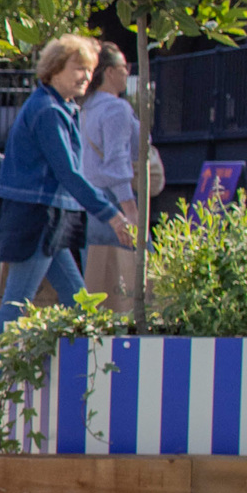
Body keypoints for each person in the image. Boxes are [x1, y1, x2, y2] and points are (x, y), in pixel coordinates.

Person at [0, 37, 140, 351]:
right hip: (38, 218)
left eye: (90, 69)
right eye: (79, 68)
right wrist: (112, 215)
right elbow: (69, 173)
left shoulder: (59, 107)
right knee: (17, 303)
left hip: (51, 218)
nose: (86, 76)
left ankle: (97, 371)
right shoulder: (48, 111)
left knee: (78, 300)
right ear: (55, 70)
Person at [79, 43, 143, 315]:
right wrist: (129, 209)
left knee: (93, 276)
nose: (127, 73)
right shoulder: (117, 109)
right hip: (113, 200)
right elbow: (116, 161)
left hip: (88, 200)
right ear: (108, 72)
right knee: (125, 278)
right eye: (122, 68)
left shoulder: (86, 106)